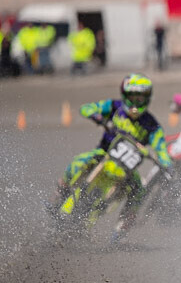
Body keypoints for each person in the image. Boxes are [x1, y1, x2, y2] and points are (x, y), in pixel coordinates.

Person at [54, 73, 172, 240]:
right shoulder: (114, 106)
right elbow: (86, 108)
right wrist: (100, 119)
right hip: (104, 154)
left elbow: (162, 150)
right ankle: (60, 193)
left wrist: (167, 166)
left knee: (139, 192)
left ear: (147, 99)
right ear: (125, 95)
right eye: (132, 97)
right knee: (79, 162)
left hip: (127, 169)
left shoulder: (153, 126)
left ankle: (120, 231)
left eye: (140, 98)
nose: (136, 103)